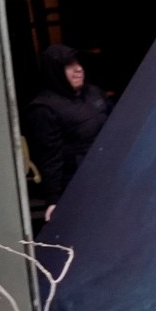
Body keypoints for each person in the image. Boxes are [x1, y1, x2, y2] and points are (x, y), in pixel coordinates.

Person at [24, 43, 109, 220]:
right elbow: (49, 156)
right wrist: (53, 199)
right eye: (69, 65)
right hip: (79, 184)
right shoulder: (44, 108)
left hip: (109, 175)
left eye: (77, 62)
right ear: (55, 71)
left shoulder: (93, 93)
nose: (78, 69)